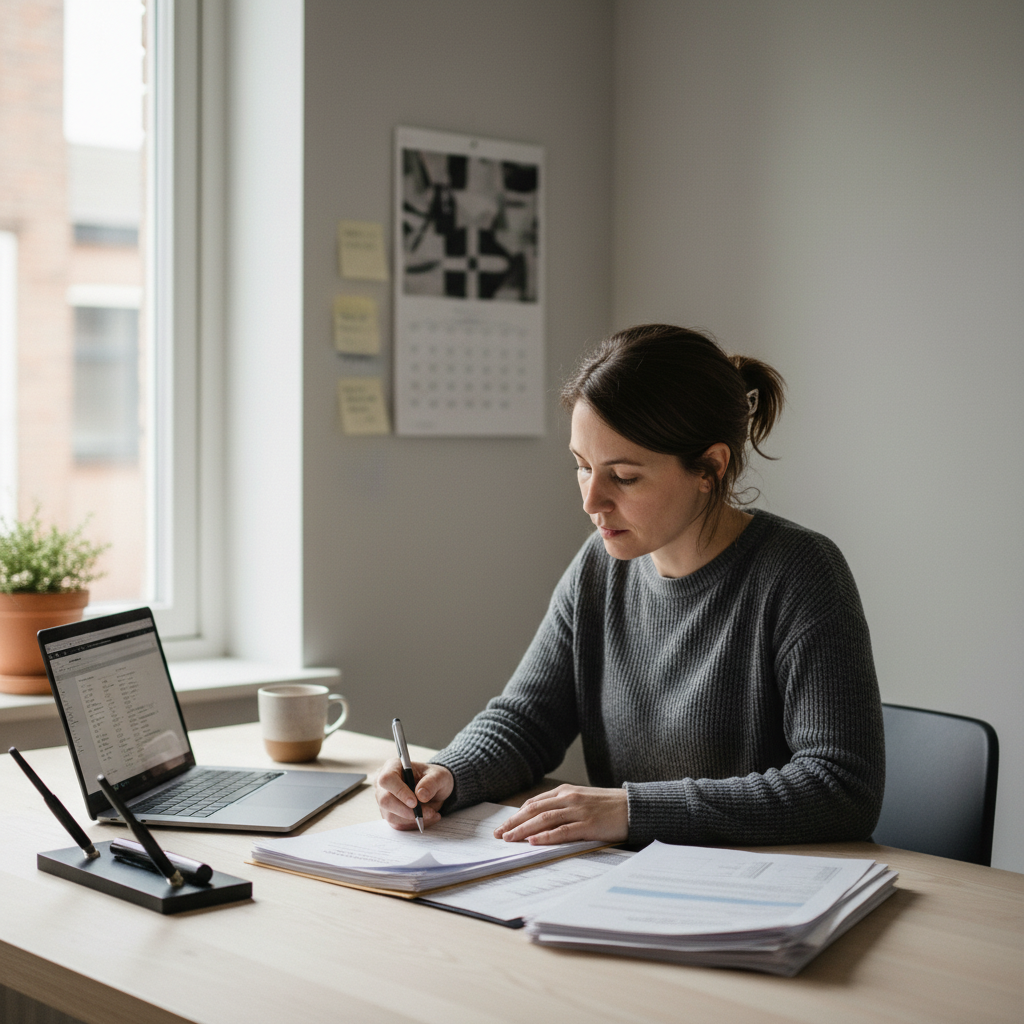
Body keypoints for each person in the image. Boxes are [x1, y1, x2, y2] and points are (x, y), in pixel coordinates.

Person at [375, 324, 884, 848]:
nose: (591, 501)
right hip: (627, 884)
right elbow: (527, 720)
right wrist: (446, 776)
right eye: (582, 467)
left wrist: (634, 810)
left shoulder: (800, 571)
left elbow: (841, 788)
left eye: (623, 476)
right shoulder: (600, 565)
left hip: (763, 893)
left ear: (710, 467)